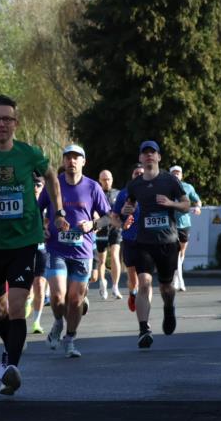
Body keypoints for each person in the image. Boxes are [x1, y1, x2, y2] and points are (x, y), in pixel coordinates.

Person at [0, 95, 67, 394]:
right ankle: (7, 365)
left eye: (7, 119)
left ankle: (10, 365)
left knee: (17, 306)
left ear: (15, 123)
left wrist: (57, 211)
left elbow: (51, 176)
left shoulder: (28, 153)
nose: (1, 124)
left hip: (24, 240)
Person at [37, 145, 110, 358]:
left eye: (76, 158)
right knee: (59, 297)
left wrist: (93, 225)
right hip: (56, 249)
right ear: (64, 161)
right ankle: (58, 322)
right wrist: (42, 227)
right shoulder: (54, 184)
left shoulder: (93, 187)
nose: (72, 161)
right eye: (68, 157)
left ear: (83, 162)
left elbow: (108, 217)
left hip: (83, 252)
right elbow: (36, 208)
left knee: (76, 300)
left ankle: (70, 340)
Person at [119, 141, 190, 349]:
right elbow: (128, 205)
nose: (149, 156)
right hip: (144, 243)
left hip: (167, 242)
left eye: (153, 153)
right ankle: (144, 330)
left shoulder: (170, 181)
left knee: (166, 287)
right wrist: (127, 209)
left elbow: (186, 205)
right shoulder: (135, 184)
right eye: (145, 153)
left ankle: (169, 308)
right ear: (141, 158)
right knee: (144, 283)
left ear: (158, 157)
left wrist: (171, 204)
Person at [113, 165, 144, 313]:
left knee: (145, 278)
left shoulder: (151, 192)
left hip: (147, 241)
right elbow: (115, 217)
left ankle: (143, 309)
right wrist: (122, 222)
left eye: (141, 173)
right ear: (132, 175)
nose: (138, 175)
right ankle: (133, 293)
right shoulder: (123, 194)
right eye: (136, 173)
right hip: (129, 239)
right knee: (133, 278)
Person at [168, 165, 202, 292]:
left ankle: (176, 275)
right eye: (174, 173)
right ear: (170, 175)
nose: (176, 175)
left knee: (181, 253)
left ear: (182, 175)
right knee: (175, 252)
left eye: (178, 173)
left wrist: (198, 207)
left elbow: (197, 200)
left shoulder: (188, 187)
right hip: (171, 224)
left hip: (185, 223)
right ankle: (179, 279)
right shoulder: (166, 187)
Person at [93, 169, 123, 300]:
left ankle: (115, 287)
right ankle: (102, 282)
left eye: (108, 179)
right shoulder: (96, 192)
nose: (106, 181)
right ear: (100, 180)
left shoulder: (118, 193)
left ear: (112, 179)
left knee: (115, 255)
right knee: (102, 260)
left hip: (115, 229)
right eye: (104, 179)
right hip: (101, 228)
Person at [26, 175, 50, 335]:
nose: (35, 187)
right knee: (26, 288)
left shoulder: (49, 205)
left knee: (40, 284)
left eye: (38, 184)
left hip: (43, 248)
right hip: (25, 248)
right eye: (32, 184)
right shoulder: (24, 204)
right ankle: (28, 300)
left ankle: (36, 322)